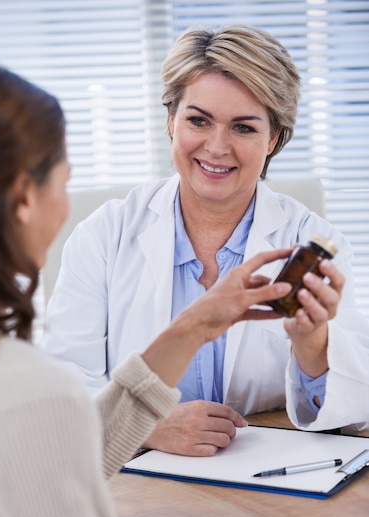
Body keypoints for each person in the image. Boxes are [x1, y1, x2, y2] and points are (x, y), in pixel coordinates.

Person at [0, 55, 295, 517]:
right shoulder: (27, 392)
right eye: (63, 178)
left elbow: (72, 447)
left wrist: (190, 329)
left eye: (243, 126)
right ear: (23, 199)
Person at [42, 24, 369, 457]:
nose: (217, 147)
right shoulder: (104, 235)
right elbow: (60, 393)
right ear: (171, 122)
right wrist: (144, 425)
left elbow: (356, 411)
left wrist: (312, 345)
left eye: (243, 128)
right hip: (138, 483)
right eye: (198, 120)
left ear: (273, 139)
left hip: (264, 481)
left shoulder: (308, 243)